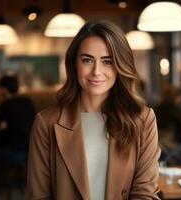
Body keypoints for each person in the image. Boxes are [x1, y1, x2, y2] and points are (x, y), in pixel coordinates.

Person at [27, 21, 161, 200]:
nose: (96, 72)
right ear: (75, 64)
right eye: (87, 60)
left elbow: (145, 193)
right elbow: (39, 196)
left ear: (120, 65)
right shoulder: (46, 123)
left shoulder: (143, 120)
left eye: (107, 61)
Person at [0, 74, 36, 165]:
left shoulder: (6, 105)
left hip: (15, 152)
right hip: (31, 151)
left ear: (4, 89)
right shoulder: (28, 102)